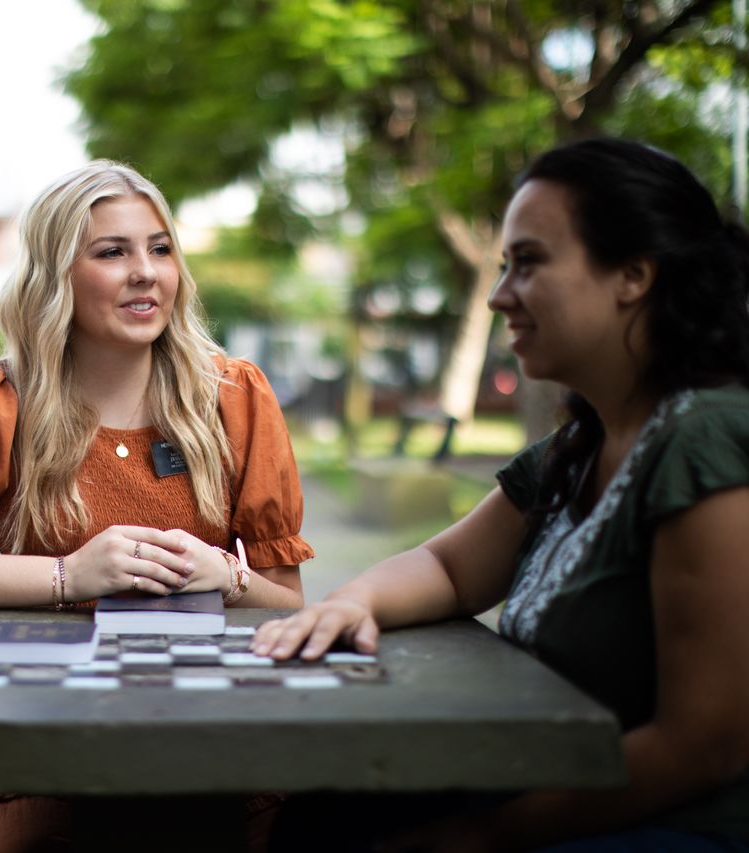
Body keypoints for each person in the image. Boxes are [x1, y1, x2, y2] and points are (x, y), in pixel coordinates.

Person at [254, 137, 749, 852]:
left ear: (633, 275)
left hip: (670, 825)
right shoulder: (580, 445)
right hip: (544, 787)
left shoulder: (705, 438)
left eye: (529, 262)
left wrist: (484, 834)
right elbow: (450, 568)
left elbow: (705, 744)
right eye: (503, 266)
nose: (498, 296)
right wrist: (350, 603)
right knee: (324, 812)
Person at [0, 160, 314, 851]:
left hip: (214, 741)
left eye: (159, 249)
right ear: (55, 277)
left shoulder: (234, 394)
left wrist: (224, 575)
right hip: (51, 743)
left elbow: (288, 607)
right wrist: (67, 576)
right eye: (112, 252)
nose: (146, 272)